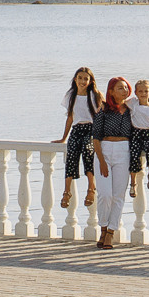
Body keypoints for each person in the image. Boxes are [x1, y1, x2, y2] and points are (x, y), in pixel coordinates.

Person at [90, 76, 138, 249]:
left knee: (118, 196)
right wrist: (101, 160)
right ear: (111, 91)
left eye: (126, 87)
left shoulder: (133, 109)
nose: (124, 90)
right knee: (104, 195)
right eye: (120, 88)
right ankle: (103, 227)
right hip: (104, 150)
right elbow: (95, 138)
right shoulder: (103, 110)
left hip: (123, 152)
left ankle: (110, 232)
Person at [54, 66, 100, 210]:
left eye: (85, 78)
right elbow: (70, 118)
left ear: (90, 81)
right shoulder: (71, 96)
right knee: (71, 155)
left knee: (88, 152)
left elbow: (100, 117)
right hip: (76, 129)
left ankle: (91, 189)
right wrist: (63, 138)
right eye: (80, 78)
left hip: (90, 130)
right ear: (75, 79)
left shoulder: (94, 96)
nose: (82, 81)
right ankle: (66, 191)